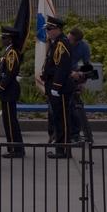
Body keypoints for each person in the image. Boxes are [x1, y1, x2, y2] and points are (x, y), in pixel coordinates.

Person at [42, 17, 73, 158]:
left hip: (60, 88)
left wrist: (56, 86)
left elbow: (63, 67)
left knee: (62, 119)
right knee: (58, 118)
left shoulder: (61, 44)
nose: (47, 32)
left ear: (57, 29)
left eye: (49, 29)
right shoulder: (55, 43)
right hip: (53, 86)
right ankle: (60, 148)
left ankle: (64, 150)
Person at [0, 26, 24, 158]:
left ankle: (15, 149)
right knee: (8, 120)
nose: (1, 40)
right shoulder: (8, 52)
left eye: (4, 37)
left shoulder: (12, 53)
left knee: (10, 121)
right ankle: (14, 147)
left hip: (9, 90)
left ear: (10, 39)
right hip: (8, 90)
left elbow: (10, 74)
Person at [66, 28, 93, 143]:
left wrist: (82, 81)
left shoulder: (83, 47)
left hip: (74, 74)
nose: (68, 40)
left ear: (76, 41)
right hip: (63, 74)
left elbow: (87, 65)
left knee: (76, 106)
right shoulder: (63, 44)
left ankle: (76, 133)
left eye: (70, 40)